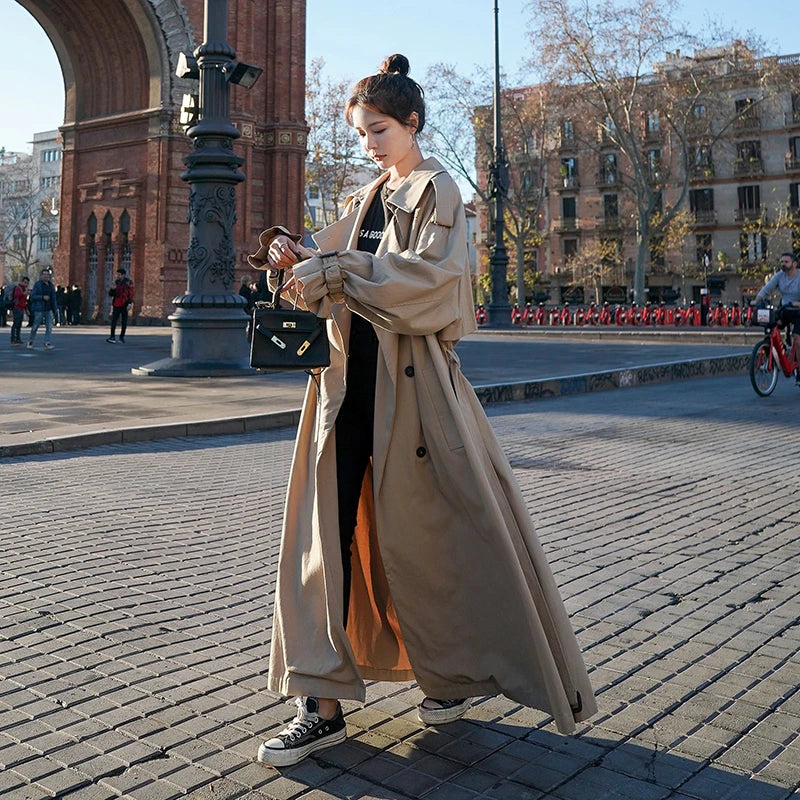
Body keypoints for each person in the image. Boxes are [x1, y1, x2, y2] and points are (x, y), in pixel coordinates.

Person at [247, 54, 596, 769]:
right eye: (361, 133)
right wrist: (291, 252)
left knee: (437, 541)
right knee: (325, 540)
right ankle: (320, 703)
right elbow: (327, 253)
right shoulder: (371, 194)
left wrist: (334, 271)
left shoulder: (438, 190)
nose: (369, 144)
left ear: (411, 123)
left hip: (417, 396)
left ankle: (453, 673)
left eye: (378, 130)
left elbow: (436, 287)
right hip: (345, 388)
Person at [751, 252, 800, 384]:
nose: (783, 264)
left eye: (786, 262)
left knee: (797, 338)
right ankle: (777, 351)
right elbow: (766, 289)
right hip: (785, 309)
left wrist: (797, 303)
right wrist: (757, 300)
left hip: (799, 310)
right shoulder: (779, 276)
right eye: (782, 262)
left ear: (794, 264)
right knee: (772, 326)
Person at [27, 268, 57, 350]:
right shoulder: (37, 285)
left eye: (47, 275)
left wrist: (55, 309)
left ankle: (47, 342)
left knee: (49, 327)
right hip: (39, 309)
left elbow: (53, 298)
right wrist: (42, 297)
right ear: (41, 276)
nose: (46, 276)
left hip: (49, 309)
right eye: (44, 274)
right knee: (35, 325)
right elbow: (32, 296)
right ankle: (31, 340)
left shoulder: (51, 286)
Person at [107, 268, 134, 343]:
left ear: (123, 275)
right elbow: (110, 294)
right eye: (117, 274)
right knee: (114, 321)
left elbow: (131, 294)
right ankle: (112, 337)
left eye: (119, 274)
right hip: (116, 304)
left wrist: (129, 303)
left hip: (124, 304)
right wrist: (112, 289)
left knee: (124, 321)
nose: (117, 276)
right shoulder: (116, 282)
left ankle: (121, 337)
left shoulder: (128, 282)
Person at [9, 277, 30, 345]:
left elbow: (24, 301)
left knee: (19, 325)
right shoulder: (18, 288)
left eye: (27, 283)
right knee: (16, 324)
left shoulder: (24, 289)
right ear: (22, 282)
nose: (26, 284)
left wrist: (26, 309)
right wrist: (24, 293)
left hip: (21, 308)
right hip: (17, 308)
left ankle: (18, 338)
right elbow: (17, 295)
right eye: (25, 282)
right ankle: (13, 339)